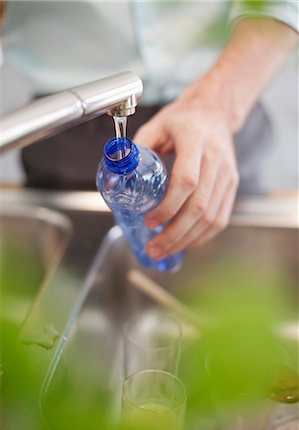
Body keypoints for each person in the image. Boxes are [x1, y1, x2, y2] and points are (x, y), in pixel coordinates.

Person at [3, 1, 298, 260]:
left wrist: (216, 106)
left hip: (225, 100)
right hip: (68, 123)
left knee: (232, 273)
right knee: (71, 266)